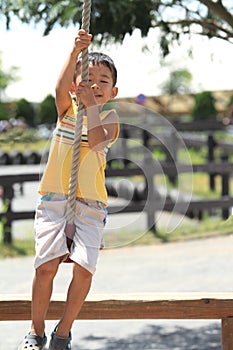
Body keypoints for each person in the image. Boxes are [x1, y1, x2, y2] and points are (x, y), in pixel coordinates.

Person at [18, 29, 119, 350]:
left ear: (113, 91)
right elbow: (59, 87)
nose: (96, 85)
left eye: (103, 81)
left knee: (85, 270)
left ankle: (64, 330)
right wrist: (75, 51)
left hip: (89, 205)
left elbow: (99, 139)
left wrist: (90, 104)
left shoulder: (111, 119)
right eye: (89, 79)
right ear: (76, 86)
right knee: (46, 265)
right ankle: (36, 330)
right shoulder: (66, 113)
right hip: (54, 200)